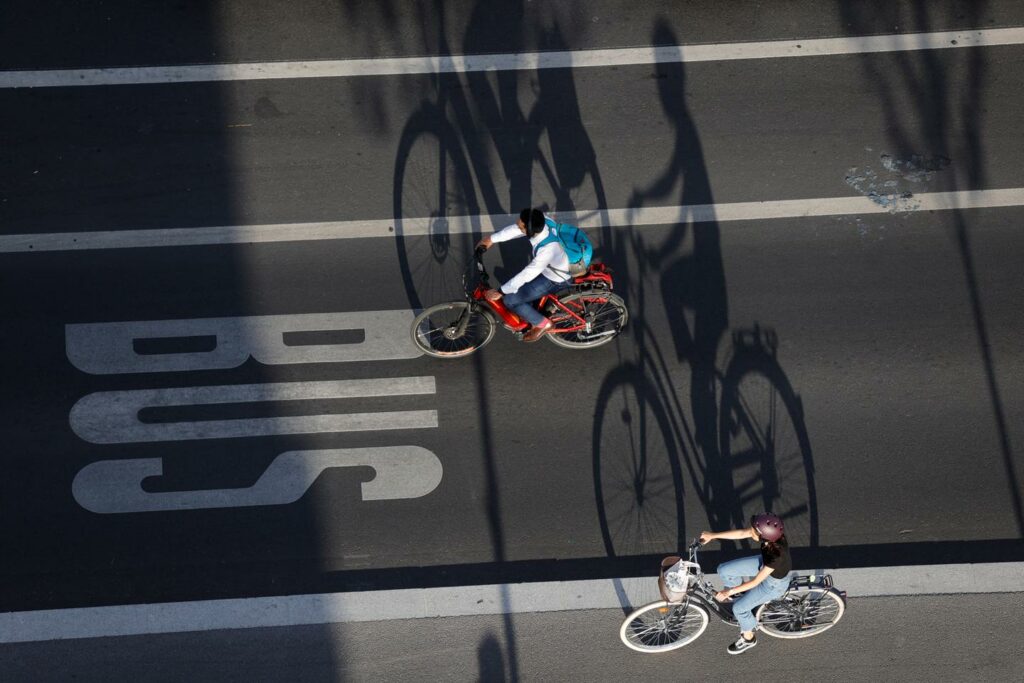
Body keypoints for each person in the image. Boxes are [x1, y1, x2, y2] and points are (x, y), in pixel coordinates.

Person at [699, 513, 792, 655]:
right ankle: (742, 595)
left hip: (773, 584)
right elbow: (743, 533)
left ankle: (748, 638)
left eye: (754, 530)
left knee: (739, 609)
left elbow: (756, 581)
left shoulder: (776, 555)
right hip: (764, 565)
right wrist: (713, 535)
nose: (750, 530)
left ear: (763, 536)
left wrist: (727, 592)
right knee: (724, 570)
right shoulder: (770, 538)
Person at [475, 207, 572, 342]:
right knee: (519, 291)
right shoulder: (544, 222)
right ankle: (530, 312)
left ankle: (543, 324)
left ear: (530, 230)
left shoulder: (547, 249)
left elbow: (528, 274)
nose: (518, 227)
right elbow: (516, 229)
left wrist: (501, 291)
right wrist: (491, 239)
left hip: (556, 278)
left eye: (522, 227)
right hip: (551, 267)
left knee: (510, 300)